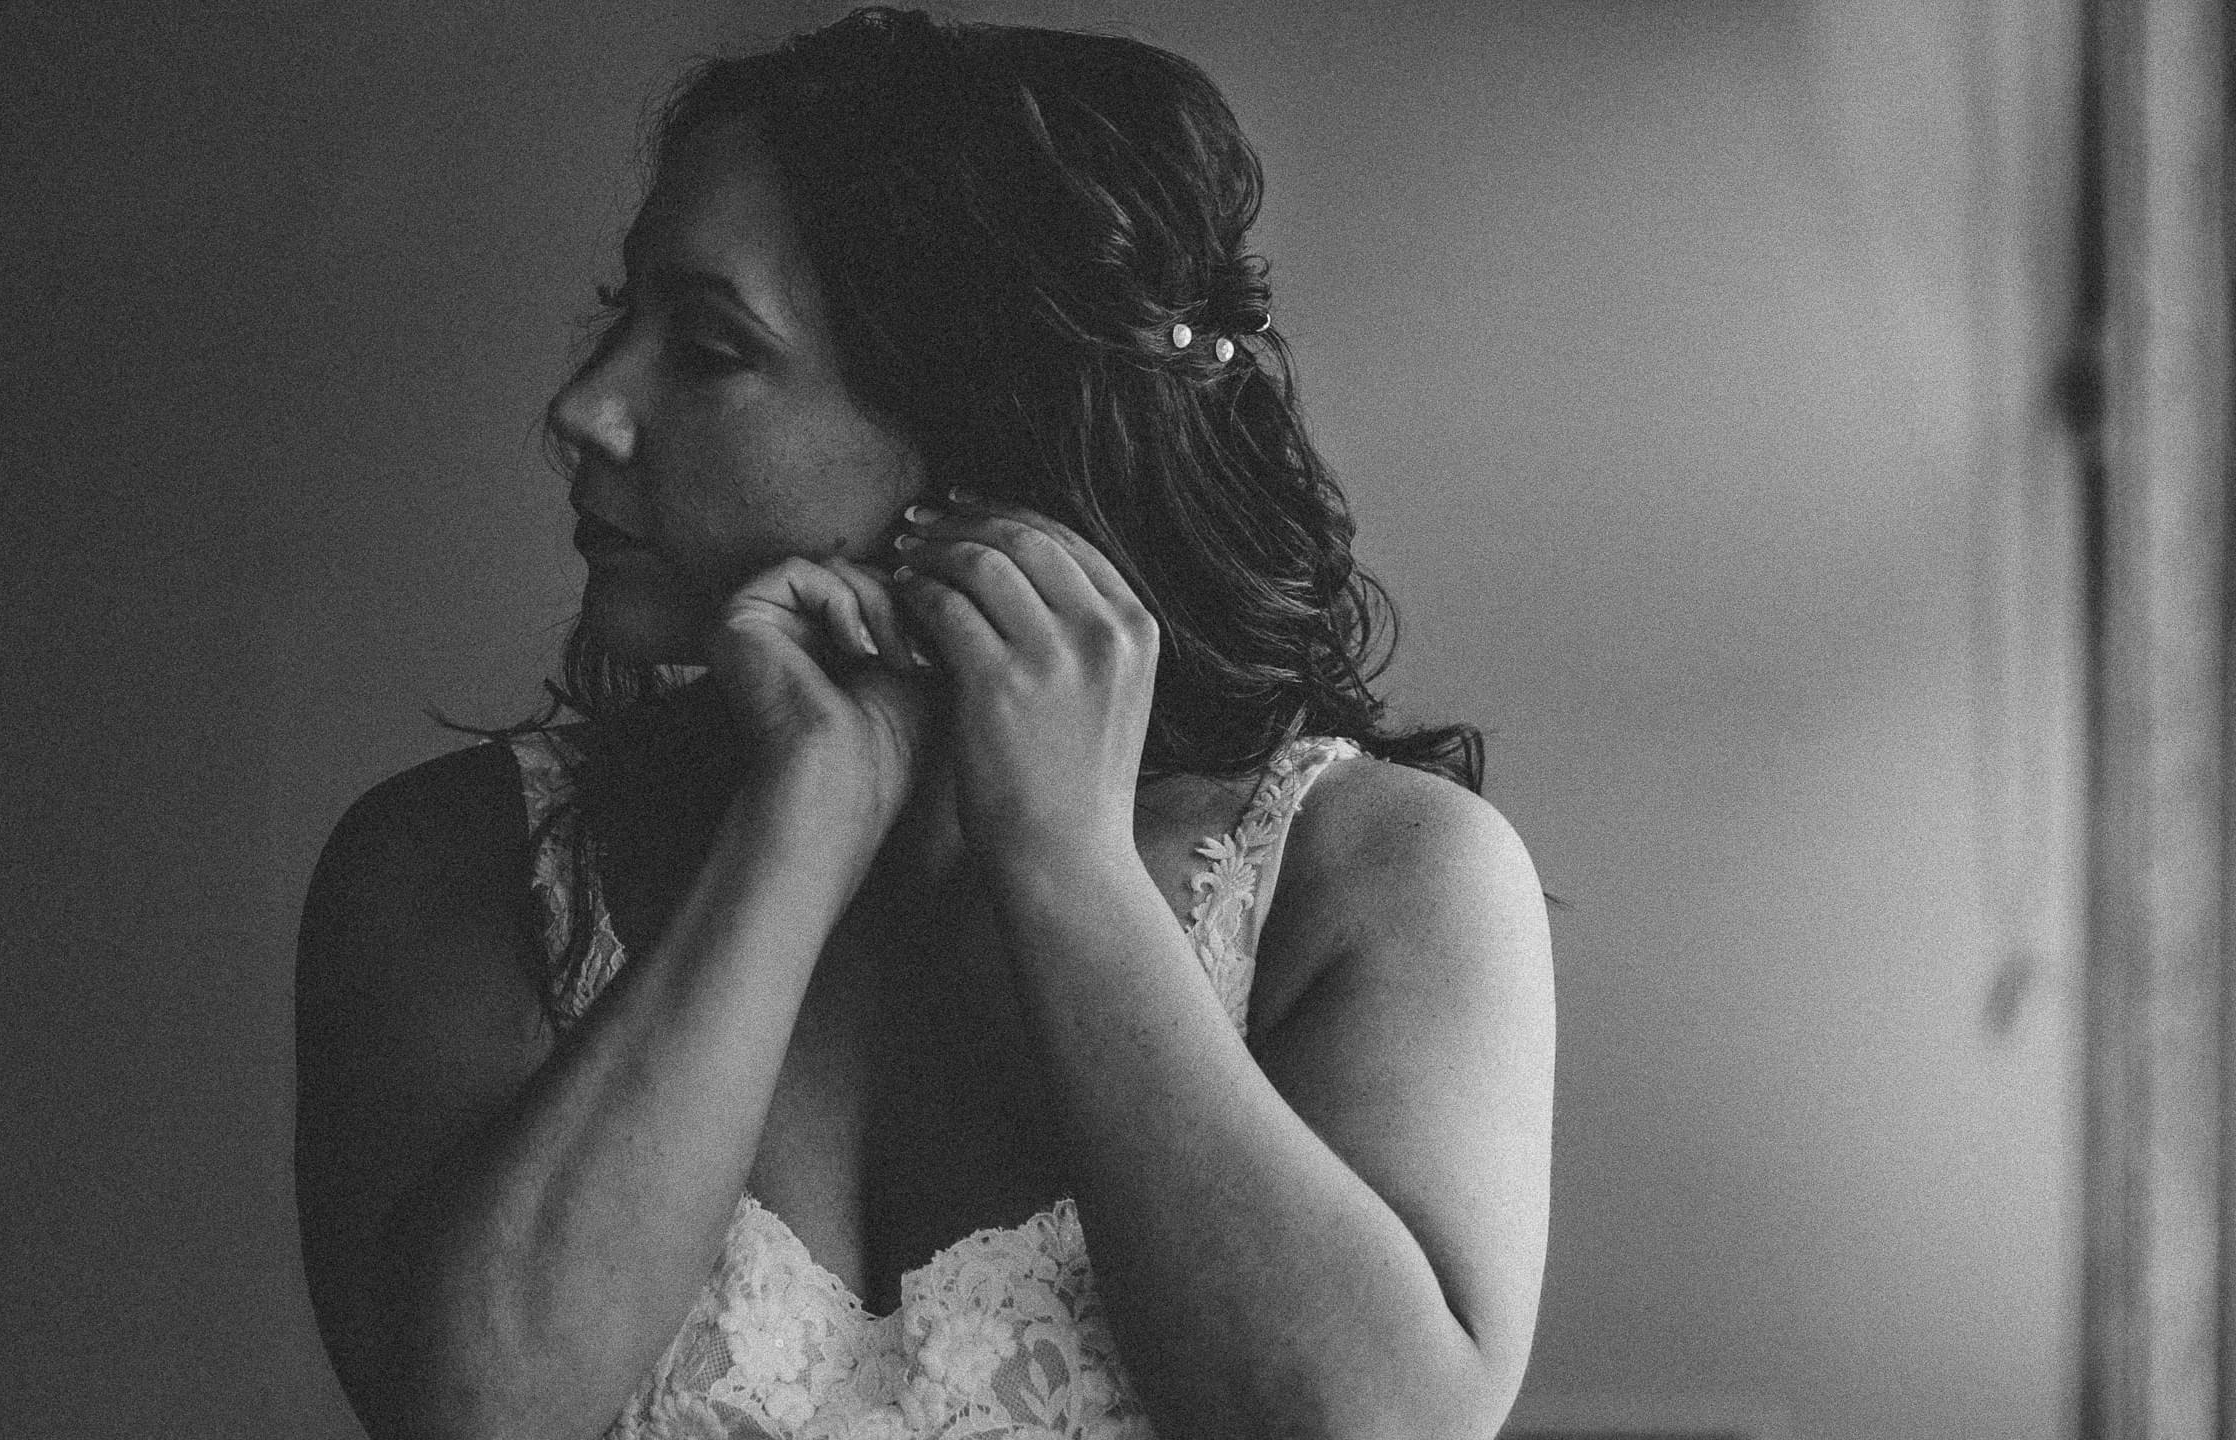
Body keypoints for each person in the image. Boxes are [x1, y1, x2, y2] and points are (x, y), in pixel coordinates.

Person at [292, 9, 1553, 1439]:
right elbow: (470, 1411)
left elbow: (1367, 1429)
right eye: (617, 316)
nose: (584, 407)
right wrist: (798, 825)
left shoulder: (1377, 879)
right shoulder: (450, 864)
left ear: (981, 433)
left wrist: (1066, 862)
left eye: (704, 349)